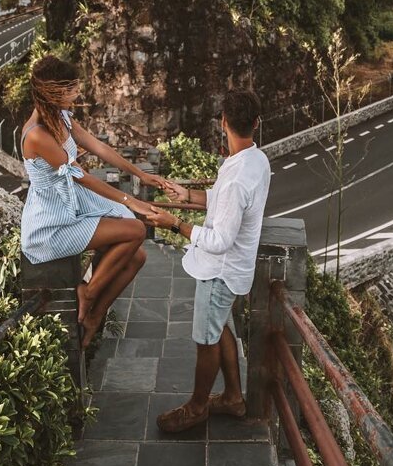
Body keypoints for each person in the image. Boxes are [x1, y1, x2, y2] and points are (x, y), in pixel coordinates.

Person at [145, 89, 271, 432]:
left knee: (205, 340)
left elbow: (219, 240)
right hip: (233, 269)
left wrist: (175, 223)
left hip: (220, 271)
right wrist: (187, 195)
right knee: (220, 329)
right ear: (256, 124)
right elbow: (222, 202)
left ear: (223, 122)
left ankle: (197, 407)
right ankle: (232, 397)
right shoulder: (256, 161)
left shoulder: (237, 179)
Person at [20, 54, 164, 347]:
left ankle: (95, 313)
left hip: (70, 206)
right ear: (55, 91)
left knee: (136, 256)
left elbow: (98, 147)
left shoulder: (59, 117)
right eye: (72, 88)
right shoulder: (36, 135)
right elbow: (81, 176)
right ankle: (88, 293)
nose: (77, 94)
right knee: (136, 230)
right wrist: (132, 201)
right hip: (52, 224)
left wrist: (140, 174)